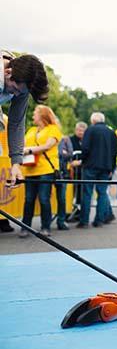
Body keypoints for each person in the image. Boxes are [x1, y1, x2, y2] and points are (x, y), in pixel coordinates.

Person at [1, 51, 49, 187]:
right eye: (14, 89)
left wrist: (16, 163)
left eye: (21, 93)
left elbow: (16, 123)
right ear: (7, 72)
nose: (15, 95)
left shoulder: (21, 83)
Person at [20, 105, 63, 237]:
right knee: (28, 200)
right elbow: (23, 145)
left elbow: (48, 146)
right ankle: (25, 227)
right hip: (29, 169)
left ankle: (46, 227)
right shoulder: (31, 130)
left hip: (46, 169)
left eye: (35, 113)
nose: (33, 116)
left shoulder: (53, 129)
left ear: (43, 115)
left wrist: (29, 150)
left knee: (44, 199)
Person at [79, 112, 117, 228]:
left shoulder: (90, 130)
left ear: (93, 120)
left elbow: (85, 148)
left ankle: (84, 221)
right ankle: (99, 220)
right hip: (105, 167)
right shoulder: (111, 132)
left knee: (87, 193)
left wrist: (82, 161)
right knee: (102, 193)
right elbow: (114, 152)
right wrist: (112, 167)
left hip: (90, 165)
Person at [56, 133, 74, 230]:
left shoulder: (65, 139)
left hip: (62, 172)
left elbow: (70, 154)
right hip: (48, 170)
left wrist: (63, 153)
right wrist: (62, 153)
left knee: (62, 198)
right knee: (44, 198)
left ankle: (61, 221)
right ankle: (45, 224)